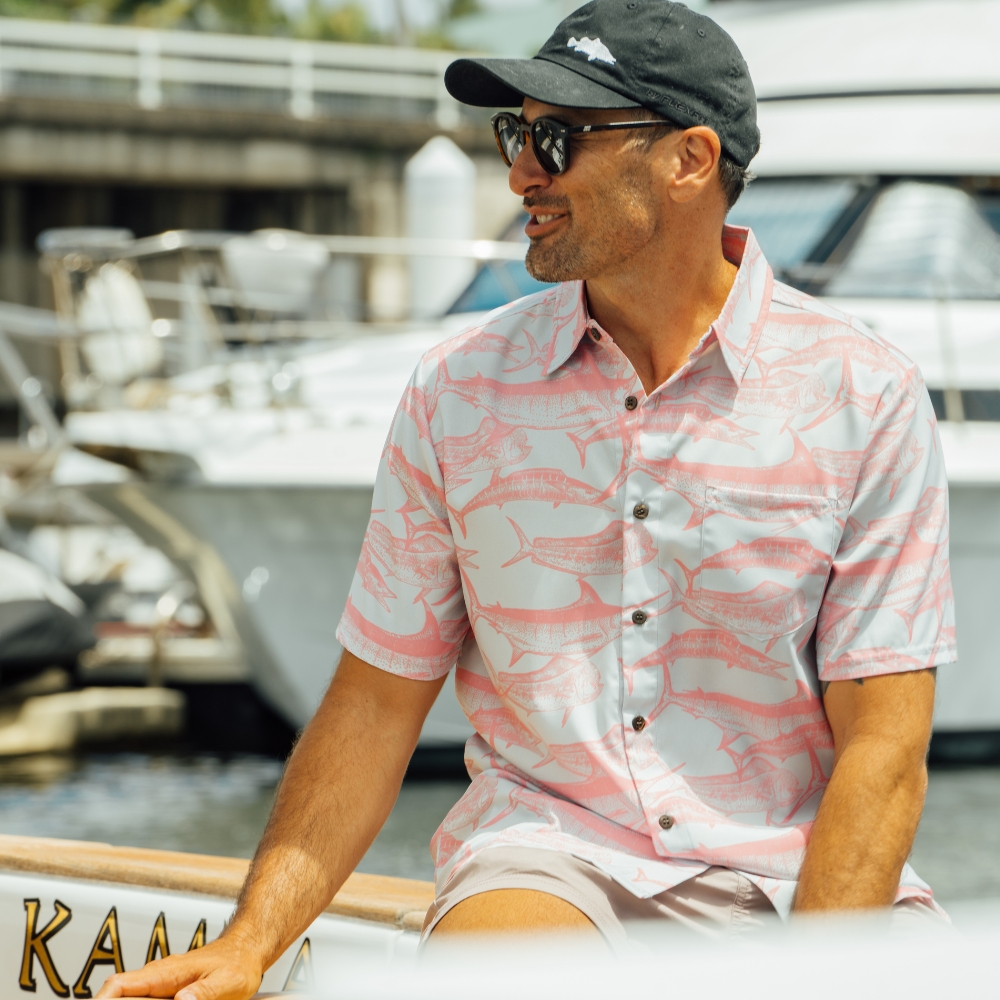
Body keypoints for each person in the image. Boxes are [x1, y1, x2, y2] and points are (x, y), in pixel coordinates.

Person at [99, 1, 955, 997]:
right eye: (515, 133)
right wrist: (249, 944)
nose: (518, 175)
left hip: (788, 874)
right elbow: (375, 703)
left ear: (687, 160)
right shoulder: (456, 391)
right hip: (552, 857)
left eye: (556, 138)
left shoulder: (864, 394)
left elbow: (882, 749)